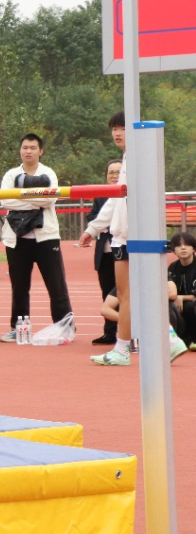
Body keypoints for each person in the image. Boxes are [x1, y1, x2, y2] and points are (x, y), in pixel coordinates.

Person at [81, 113, 187, 366]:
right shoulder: (129, 158)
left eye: (122, 128)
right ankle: (151, 341)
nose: (117, 134)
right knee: (132, 294)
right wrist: (93, 229)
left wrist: (107, 229)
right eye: (114, 129)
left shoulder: (138, 157)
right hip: (126, 235)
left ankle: (162, 339)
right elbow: (115, 200)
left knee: (131, 294)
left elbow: (135, 198)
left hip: (133, 236)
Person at [0, 133, 73, 343]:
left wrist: (22, 197)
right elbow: (6, 201)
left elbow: (49, 201)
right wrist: (36, 199)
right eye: (25, 147)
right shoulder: (11, 175)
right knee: (19, 288)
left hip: (46, 238)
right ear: (20, 150)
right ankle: (18, 329)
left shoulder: (48, 173)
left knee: (56, 285)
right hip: (17, 238)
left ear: (41, 151)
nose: (28, 151)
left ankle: (64, 328)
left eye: (32, 148)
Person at [86, 159, 122, 345]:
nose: (114, 176)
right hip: (105, 253)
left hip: (123, 252)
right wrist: (102, 224)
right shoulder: (101, 195)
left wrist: (110, 223)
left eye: (118, 172)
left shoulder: (128, 194)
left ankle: (129, 333)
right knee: (107, 293)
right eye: (111, 172)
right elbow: (92, 216)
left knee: (124, 294)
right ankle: (110, 333)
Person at [167, 232, 196, 350]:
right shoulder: (173, 267)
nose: (183, 248)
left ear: (193, 248)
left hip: (191, 305)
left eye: (187, 245)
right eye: (179, 245)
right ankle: (178, 340)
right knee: (169, 308)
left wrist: (181, 297)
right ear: (174, 250)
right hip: (178, 304)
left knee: (189, 306)